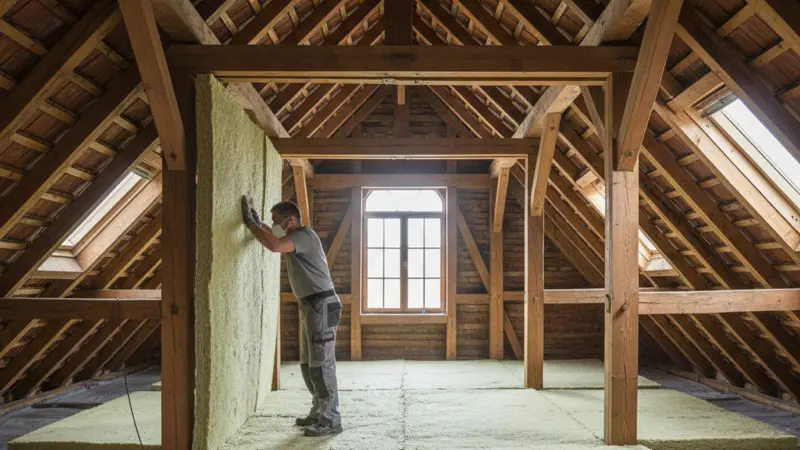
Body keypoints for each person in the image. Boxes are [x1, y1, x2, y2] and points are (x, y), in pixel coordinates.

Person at [241, 196, 343, 437]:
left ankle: (331, 419)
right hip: (312, 306)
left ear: (291, 220)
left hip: (322, 304)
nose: (274, 224)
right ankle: (319, 411)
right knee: (309, 365)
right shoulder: (294, 237)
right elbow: (274, 237)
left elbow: (274, 245)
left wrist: (250, 223)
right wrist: (259, 223)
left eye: (277, 220)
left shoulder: (304, 237)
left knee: (322, 364)